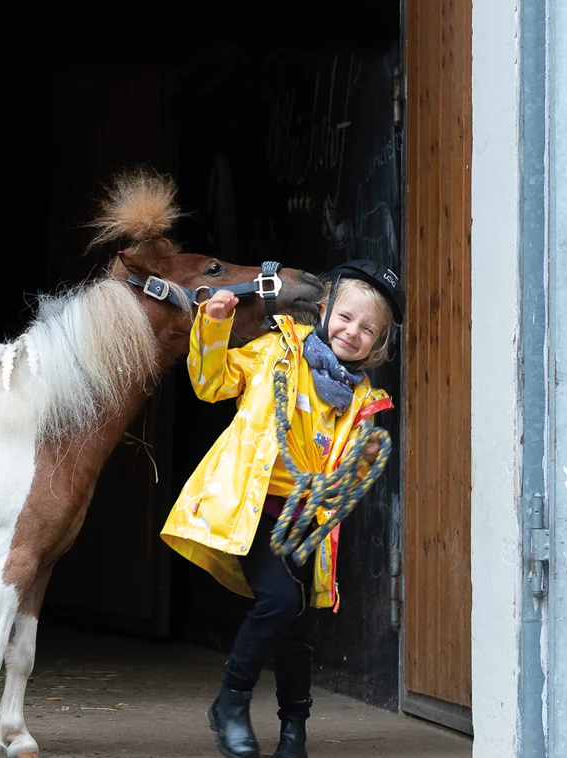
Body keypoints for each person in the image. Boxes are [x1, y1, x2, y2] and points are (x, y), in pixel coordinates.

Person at [160, 259, 405, 758]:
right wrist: (216, 324)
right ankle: (230, 701)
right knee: (280, 600)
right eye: (345, 317)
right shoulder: (275, 351)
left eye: (367, 330)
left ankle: (294, 730)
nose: (351, 332)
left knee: (296, 629)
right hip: (250, 509)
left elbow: (344, 478)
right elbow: (210, 384)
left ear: (378, 344)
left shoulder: (362, 402)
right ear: (324, 308)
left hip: (303, 525)